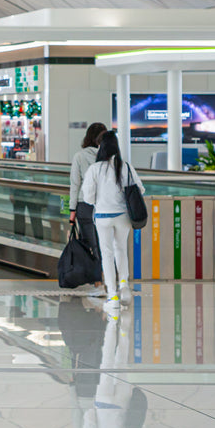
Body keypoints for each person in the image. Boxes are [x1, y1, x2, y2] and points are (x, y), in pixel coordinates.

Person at [81, 130, 145, 309]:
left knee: (107, 254)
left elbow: (88, 197)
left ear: (100, 147)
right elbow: (139, 189)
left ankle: (112, 295)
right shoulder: (125, 166)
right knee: (121, 250)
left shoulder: (95, 169)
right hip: (123, 217)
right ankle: (124, 286)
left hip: (102, 217)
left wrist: (99, 201)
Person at [68, 123, 108, 292]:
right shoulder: (108, 156)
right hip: (105, 205)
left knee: (90, 244)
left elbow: (75, 185)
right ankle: (106, 278)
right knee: (104, 243)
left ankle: (97, 279)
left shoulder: (79, 156)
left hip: (85, 205)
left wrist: (72, 211)